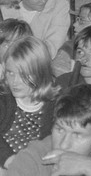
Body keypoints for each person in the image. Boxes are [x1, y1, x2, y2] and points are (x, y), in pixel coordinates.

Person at [0, 37, 59, 168]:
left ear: (40, 72)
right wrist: (11, 161)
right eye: (10, 73)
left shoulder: (56, 104)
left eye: (23, 75)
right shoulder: (3, 97)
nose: (14, 81)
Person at [0, 0, 69, 59]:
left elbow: (53, 44)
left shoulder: (58, 6)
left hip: (40, 62)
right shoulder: (5, 9)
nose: (43, 0)